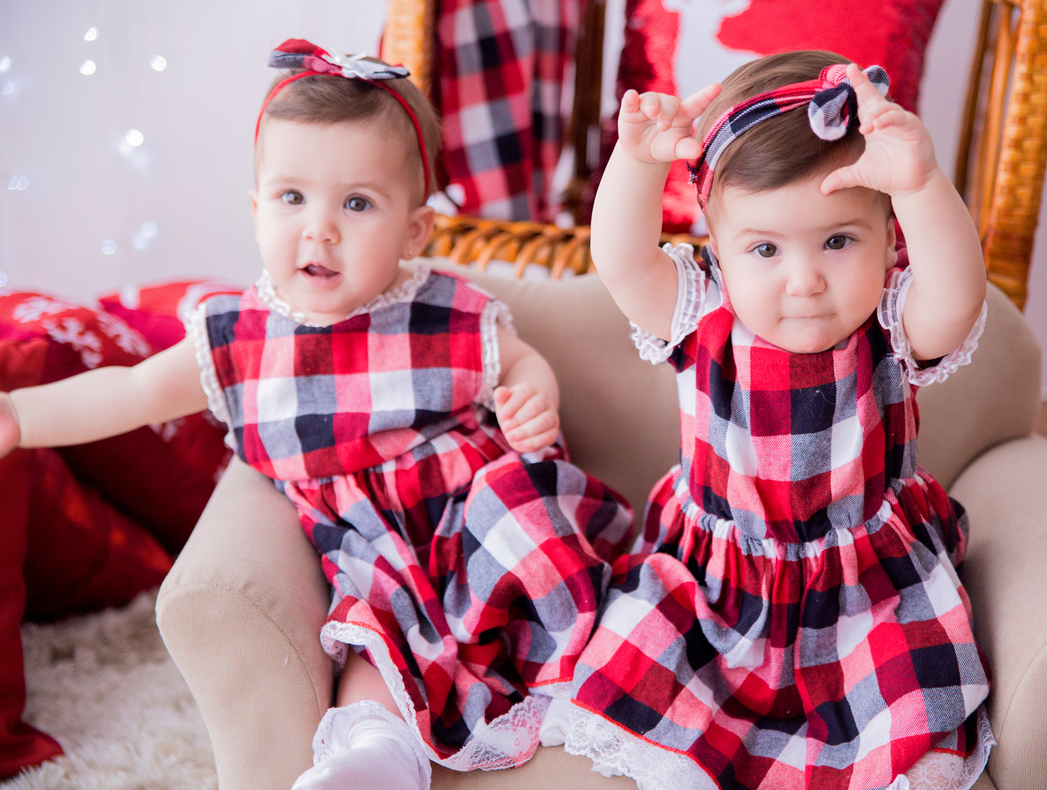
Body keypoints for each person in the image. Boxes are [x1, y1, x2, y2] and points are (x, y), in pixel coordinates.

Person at [0, 39, 632, 790]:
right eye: (292, 198)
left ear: (413, 232)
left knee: (533, 542)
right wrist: (16, 415)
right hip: (368, 547)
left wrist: (533, 393)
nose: (319, 228)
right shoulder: (238, 336)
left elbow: (515, 358)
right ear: (257, 208)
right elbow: (131, 392)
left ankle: (588, 689)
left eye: (357, 203)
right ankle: (375, 751)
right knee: (373, 637)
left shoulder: (440, 308)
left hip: (475, 514)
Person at [562, 51, 993, 790]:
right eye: (763, 248)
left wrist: (920, 184)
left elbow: (957, 298)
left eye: (838, 240)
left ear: (889, 238)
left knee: (912, 714)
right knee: (655, 700)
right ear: (718, 252)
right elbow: (621, 259)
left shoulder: (890, 324)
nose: (804, 280)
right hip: (716, 591)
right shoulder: (699, 316)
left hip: (867, 591)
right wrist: (636, 163)